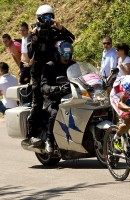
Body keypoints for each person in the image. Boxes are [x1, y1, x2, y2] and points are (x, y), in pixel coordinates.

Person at [25, 4, 75, 145]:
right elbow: (29, 54)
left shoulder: (55, 31)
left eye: (50, 17)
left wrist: (61, 29)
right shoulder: (33, 32)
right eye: (45, 17)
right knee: (37, 101)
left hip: (53, 69)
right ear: (39, 18)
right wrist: (34, 37)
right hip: (38, 71)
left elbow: (71, 40)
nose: (48, 20)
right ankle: (32, 134)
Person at [40, 41, 76, 154]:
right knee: (55, 113)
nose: (67, 57)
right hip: (52, 99)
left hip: (71, 97)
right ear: (58, 54)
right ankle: (49, 139)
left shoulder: (73, 65)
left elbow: (82, 77)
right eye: (64, 55)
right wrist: (55, 89)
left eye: (69, 54)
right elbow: (43, 86)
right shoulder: (49, 66)